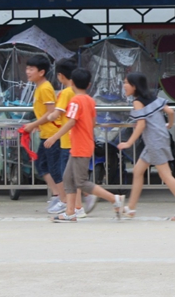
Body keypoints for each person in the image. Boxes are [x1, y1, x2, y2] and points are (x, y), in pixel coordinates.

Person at [44, 68, 125, 222]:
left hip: (80, 145)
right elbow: (93, 122)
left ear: (72, 83)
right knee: (68, 177)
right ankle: (70, 212)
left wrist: (54, 137)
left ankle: (114, 199)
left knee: (80, 181)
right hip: (83, 144)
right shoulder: (90, 100)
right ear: (88, 85)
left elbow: (71, 122)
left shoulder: (75, 101)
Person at [117, 72, 175, 220]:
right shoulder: (153, 98)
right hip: (158, 140)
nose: (124, 85)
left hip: (154, 142)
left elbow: (141, 125)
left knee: (165, 175)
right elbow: (170, 111)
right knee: (138, 171)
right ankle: (131, 208)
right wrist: (169, 125)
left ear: (134, 86)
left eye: (126, 83)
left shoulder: (138, 102)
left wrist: (128, 143)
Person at [45, 58, 97, 218]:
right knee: (72, 177)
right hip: (79, 141)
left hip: (70, 142)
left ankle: (79, 206)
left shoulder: (68, 94)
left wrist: (49, 123)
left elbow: (65, 118)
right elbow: (92, 122)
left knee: (74, 178)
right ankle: (73, 208)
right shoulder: (88, 99)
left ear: (61, 76)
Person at [22, 55, 67, 215]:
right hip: (46, 133)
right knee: (41, 165)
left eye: (31, 69)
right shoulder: (40, 87)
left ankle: (63, 199)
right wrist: (38, 125)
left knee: (53, 168)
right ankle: (57, 195)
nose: (28, 72)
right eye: (27, 68)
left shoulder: (45, 88)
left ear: (41, 72)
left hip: (52, 135)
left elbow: (51, 112)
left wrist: (34, 124)